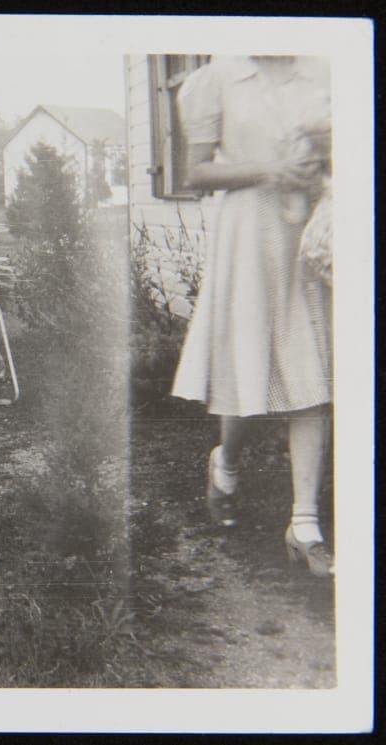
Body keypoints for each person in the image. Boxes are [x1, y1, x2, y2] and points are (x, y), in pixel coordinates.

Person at [170, 55, 333, 577]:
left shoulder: (325, 70)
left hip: (312, 231)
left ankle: (304, 525)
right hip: (249, 232)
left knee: (314, 368)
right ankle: (227, 463)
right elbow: (194, 171)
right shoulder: (215, 78)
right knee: (247, 368)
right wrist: (270, 169)